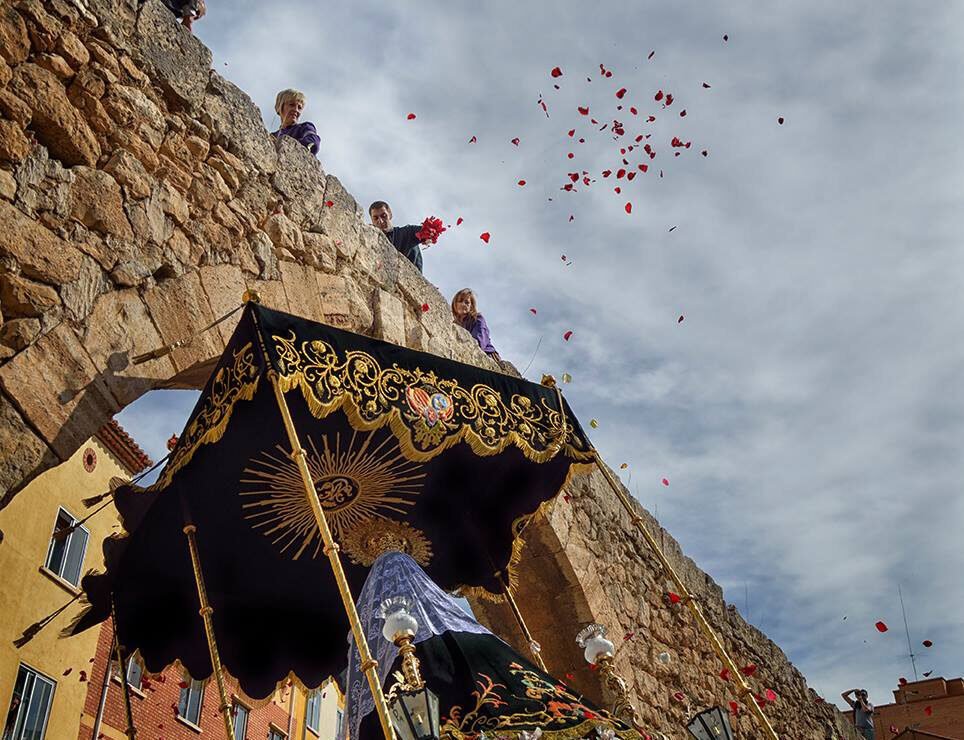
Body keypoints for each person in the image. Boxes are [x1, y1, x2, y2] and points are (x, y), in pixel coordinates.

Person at [369, 201, 430, 273]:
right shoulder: (372, 241)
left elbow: (428, 230)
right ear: (372, 220)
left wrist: (428, 235)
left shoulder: (407, 232)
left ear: (390, 214)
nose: (380, 221)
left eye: (384, 216)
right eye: (376, 218)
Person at [451, 288, 500, 360]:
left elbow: (479, 343)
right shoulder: (455, 324)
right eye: (460, 301)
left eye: (467, 302)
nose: (463, 304)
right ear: (455, 304)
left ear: (471, 306)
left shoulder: (478, 319)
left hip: (486, 355)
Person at [271, 89, 321, 157]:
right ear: (280, 107)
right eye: (291, 105)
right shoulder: (273, 136)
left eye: (299, 107)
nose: (296, 110)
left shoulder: (305, 127)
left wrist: (288, 146)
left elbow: (313, 143)